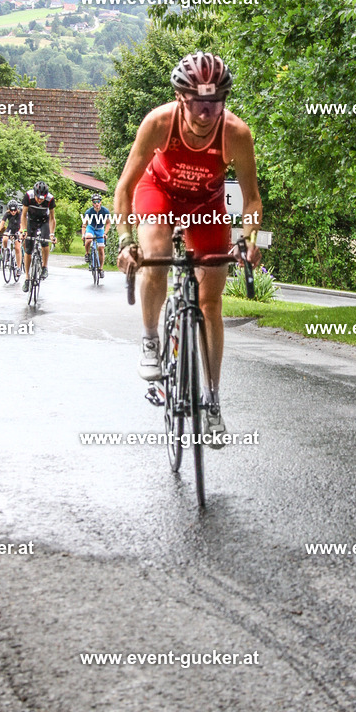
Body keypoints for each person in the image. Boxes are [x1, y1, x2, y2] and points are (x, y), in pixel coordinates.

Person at [114, 51, 262, 445]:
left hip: (206, 205)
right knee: (156, 254)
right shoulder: (159, 122)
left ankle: (212, 401)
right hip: (157, 193)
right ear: (181, 99)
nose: (204, 113)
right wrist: (126, 240)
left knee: (211, 300)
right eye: (197, 103)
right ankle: (150, 339)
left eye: (214, 103)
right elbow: (125, 188)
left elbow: (251, 200)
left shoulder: (236, 133)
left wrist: (250, 239)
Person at [21, 180, 57, 292]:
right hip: (31, 220)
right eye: (38, 198)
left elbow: (52, 218)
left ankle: (44, 266)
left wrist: (51, 234)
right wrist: (24, 230)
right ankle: (27, 278)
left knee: (45, 242)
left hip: (44, 221)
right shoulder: (28, 196)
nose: (40, 200)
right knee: (28, 249)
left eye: (42, 198)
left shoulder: (50, 199)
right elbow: (23, 215)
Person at [82, 194, 110, 277]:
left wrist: (105, 233)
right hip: (91, 228)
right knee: (89, 239)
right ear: (92, 203)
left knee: (101, 248)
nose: (97, 203)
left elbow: (108, 223)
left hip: (100, 229)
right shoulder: (89, 212)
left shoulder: (105, 211)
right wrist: (83, 234)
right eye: (95, 202)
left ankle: (101, 269)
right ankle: (87, 253)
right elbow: (84, 225)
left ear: (100, 202)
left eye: (98, 201)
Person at [0, 200, 22, 270]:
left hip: (17, 230)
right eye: (11, 210)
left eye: (15, 210)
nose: (13, 212)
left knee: (17, 248)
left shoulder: (20, 214)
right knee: (4, 238)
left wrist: (20, 232)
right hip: (10, 229)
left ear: (17, 209)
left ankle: (19, 267)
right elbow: (2, 223)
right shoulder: (7, 214)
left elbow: (22, 225)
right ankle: (6, 252)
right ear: (9, 209)